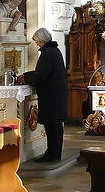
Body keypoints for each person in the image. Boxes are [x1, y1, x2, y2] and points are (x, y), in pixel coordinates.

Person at [19, 27, 68, 163]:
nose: (37, 44)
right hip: (56, 95)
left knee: (52, 126)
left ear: (42, 40)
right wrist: (27, 76)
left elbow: (41, 75)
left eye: (37, 42)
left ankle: (52, 154)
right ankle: (54, 153)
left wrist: (26, 78)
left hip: (51, 96)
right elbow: (42, 71)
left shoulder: (48, 53)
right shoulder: (55, 51)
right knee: (56, 126)